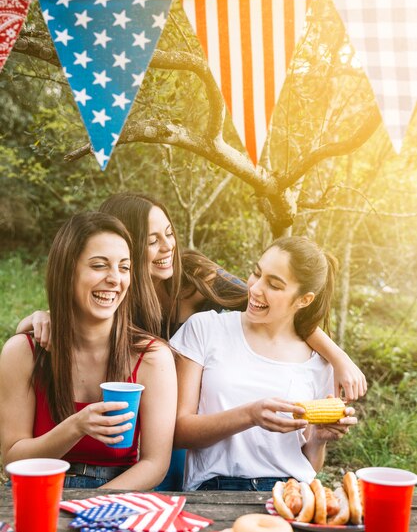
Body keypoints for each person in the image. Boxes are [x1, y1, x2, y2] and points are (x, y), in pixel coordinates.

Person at [15, 193, 366, 490]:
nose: (167, 246)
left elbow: (267, 303)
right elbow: (75, 313)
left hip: (173, 411)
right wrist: (42, 316)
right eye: (152, 240)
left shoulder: (198, 276)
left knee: (167, 452)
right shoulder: (116, 292)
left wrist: (337, 357)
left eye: (169, 233)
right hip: (142, 415)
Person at [0, 212, 177, 489]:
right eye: (99, 265)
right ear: (67, 271)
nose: (114, 279)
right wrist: (76, 426)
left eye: (124, 267)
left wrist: (91, 507)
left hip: (116, 496)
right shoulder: (22, 353)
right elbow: (13, 459)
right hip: (38, 491)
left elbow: (155, 464)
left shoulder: (153, 358)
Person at [171, 236, 358, 491]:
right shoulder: (206, 328)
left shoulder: (319, 363)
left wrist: (319, 440)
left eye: (274, 284)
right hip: (215, 490)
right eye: (256, 273)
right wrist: (250, 415)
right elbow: (178, 432)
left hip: (292, 491)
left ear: (304, 300)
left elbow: (309, 466)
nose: (255, 288)